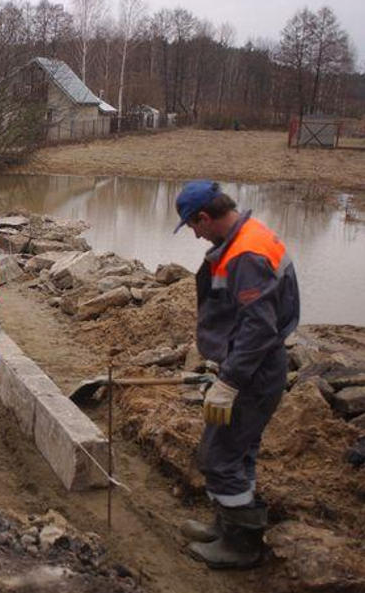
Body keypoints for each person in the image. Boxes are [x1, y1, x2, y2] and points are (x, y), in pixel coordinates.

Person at [173, 180, 300, 569]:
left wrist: (230, 381)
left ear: (205, 217)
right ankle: (226, 525)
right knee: (235, 450)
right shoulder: (249, 235)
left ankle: (240, 546)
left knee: (221, 456)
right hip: (255, 367)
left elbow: (258, 328)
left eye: (193, 227)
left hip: (254, 372)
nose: (194, 235)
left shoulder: (245, 254)